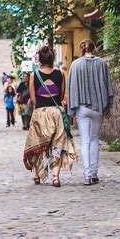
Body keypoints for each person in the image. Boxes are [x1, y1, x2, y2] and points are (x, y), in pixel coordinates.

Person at [23, 45, 76, 187]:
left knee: (37, 144)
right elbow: (61, 95)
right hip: (56, 112)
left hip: (40, 113)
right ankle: (55, 177)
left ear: (40, 60)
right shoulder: (60, 74)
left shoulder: (34, 75)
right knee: (57, 144)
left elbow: (33, 98)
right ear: (52, 58)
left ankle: (36, 175)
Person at [68, 39, 114, 185]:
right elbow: (108, 87)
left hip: (82, 107)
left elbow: (71, 88)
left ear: (82, 49)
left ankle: (87, 175)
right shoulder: (102, 63)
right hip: (98, 107)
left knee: (85, 140)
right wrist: (107, 107)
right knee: (94, 139)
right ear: (94, 49)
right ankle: (94, 172)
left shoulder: (75, 65)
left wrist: (71, 111)